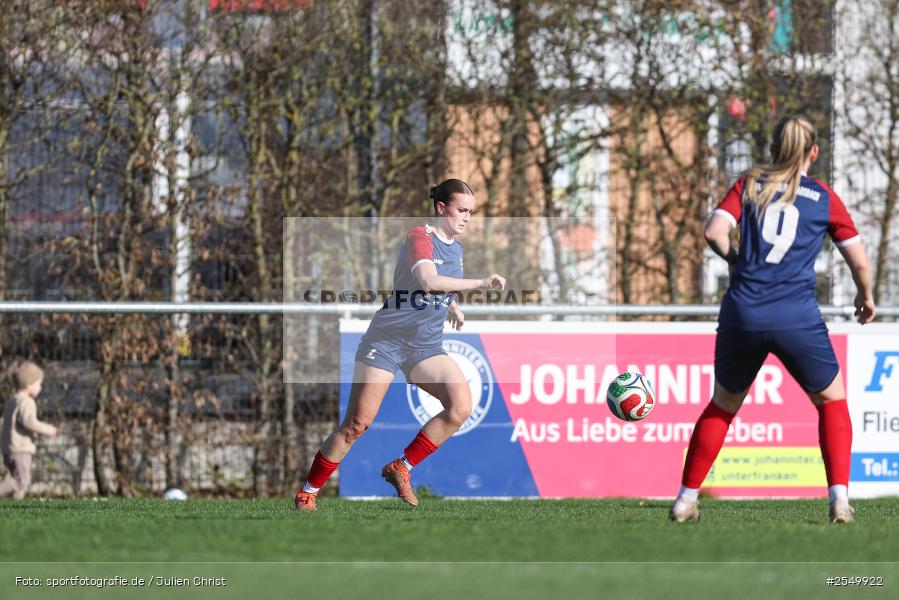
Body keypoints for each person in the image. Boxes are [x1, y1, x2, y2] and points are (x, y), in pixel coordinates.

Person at [669, 115, 875, 524]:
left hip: (743, 310)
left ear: (772, 149)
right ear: (813, 152)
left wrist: (736, 260)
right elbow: (860, 261)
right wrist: (865, 296)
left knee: (723, 405)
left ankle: (685, 500)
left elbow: (714, 231)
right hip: (795, 315)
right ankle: (839, 501)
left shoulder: (748, 185)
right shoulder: (822, 196)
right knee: (832, 401)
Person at [295, 179, 506, 510]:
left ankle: (401, 468)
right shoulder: (419, 238)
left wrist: (452, 306)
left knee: (460, 407)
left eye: (471, 212)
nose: (467, 217)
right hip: (387, 341)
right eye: (461, 210)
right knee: (356, 425)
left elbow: (436, 287)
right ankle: (308, 491)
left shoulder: (457, 247)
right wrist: (480, 283)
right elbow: (428, 280)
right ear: (441, 208)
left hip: (425, 346)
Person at [0, 360, 59, 499]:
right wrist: (49, 430)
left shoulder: (13, 400)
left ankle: (16, 506)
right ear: (28, 384)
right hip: (20, 449)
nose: (40, 387)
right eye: (39, 384)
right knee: (22, 481)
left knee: (19, 481)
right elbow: (29, 422)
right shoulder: (26, 401)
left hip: (9, 449)